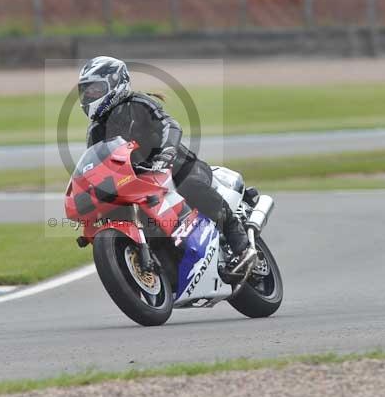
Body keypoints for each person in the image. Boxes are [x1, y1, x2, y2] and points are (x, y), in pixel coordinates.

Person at [77, 55, 256, 272]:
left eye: (94, 89)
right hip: (140, 182)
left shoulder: (137, 103)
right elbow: (96, 163)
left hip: (177, 165)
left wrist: (167, 151)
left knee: (190, 186)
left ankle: (240, 243)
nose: (89, 95)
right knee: (126, 215)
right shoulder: (95, 130)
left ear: (115, 82)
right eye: (86, 91)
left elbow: (169, 124)